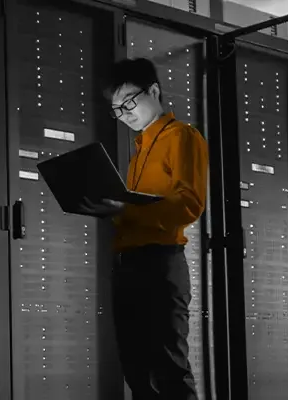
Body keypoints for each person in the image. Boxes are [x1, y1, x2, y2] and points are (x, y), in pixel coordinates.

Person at [79, 57, 207, 400]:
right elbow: (139, 212)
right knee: (136, 371)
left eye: (129, 102)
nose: (124, 114)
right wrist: (114, 211)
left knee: (168, 369)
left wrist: (126, 208)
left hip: (160, 264)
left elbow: (189, 203)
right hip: (129, 264)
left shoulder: (181, 136)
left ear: (154, 90)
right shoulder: (139, 150)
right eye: (116, 108)